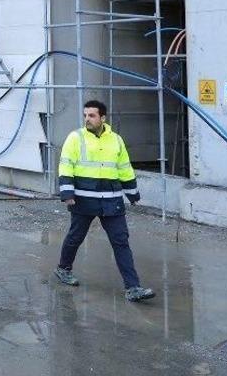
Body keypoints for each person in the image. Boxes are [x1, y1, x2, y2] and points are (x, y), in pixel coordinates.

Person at [55, 100, 155, 302]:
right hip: (84, 199)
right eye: (85, 115)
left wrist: (132, 194)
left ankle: (133, 287)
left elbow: (124, 168)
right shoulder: (75, 138)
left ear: (103, 118)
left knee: (121, 241)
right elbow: (66, 165)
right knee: (76, 237)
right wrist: (67, 193)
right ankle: (63, 269)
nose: (87, 119)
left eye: (91, 115)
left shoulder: (116, 140)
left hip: (111, 200)